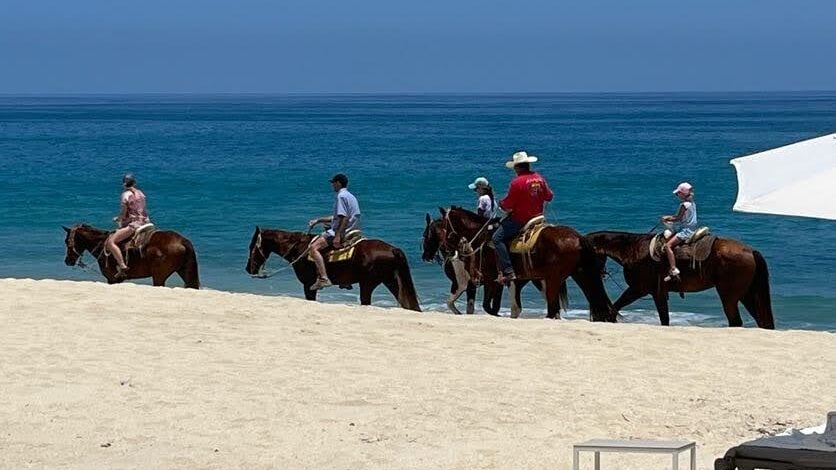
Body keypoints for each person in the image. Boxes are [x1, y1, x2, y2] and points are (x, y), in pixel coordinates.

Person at [493, 151, 554, 284]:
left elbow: (508, 204)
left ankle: (508, 271)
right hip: (538, 218)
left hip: (521, 219)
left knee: (496, 238)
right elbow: (549, 196)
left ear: (517, 167)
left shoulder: (517, 182)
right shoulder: (539, 178)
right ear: (528, 165)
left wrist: (501, 203)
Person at [307, 173, 361, 290]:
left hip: (342, 231)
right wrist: (318, 220)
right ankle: (344, 278)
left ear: (338, 183)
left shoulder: (340, 196)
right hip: (353, 229)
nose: (332, 186)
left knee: (313, 248)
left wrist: (337, 236)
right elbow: (337, 217)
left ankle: (323, 278)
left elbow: (344, 217)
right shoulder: (351, 196)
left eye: (333, 183)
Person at [106, 174, 151, 280]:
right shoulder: (141, 193)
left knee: (111, 242)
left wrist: (118, 218)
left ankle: (122, 266)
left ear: (124, 184)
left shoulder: (126, 195)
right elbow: (143, 209)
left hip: (134, 225)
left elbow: (124, 212)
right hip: (146, 222)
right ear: (134, 183)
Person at [661, 182, 697, 282]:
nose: (677, 195)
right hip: (692, 228)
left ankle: (673, 269)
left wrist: (666, 218)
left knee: (668, 246)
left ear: (683, 194)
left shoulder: (684, 205)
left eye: (678, 193)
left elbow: (677, 218)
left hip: (686, 231)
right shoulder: (692, 203)